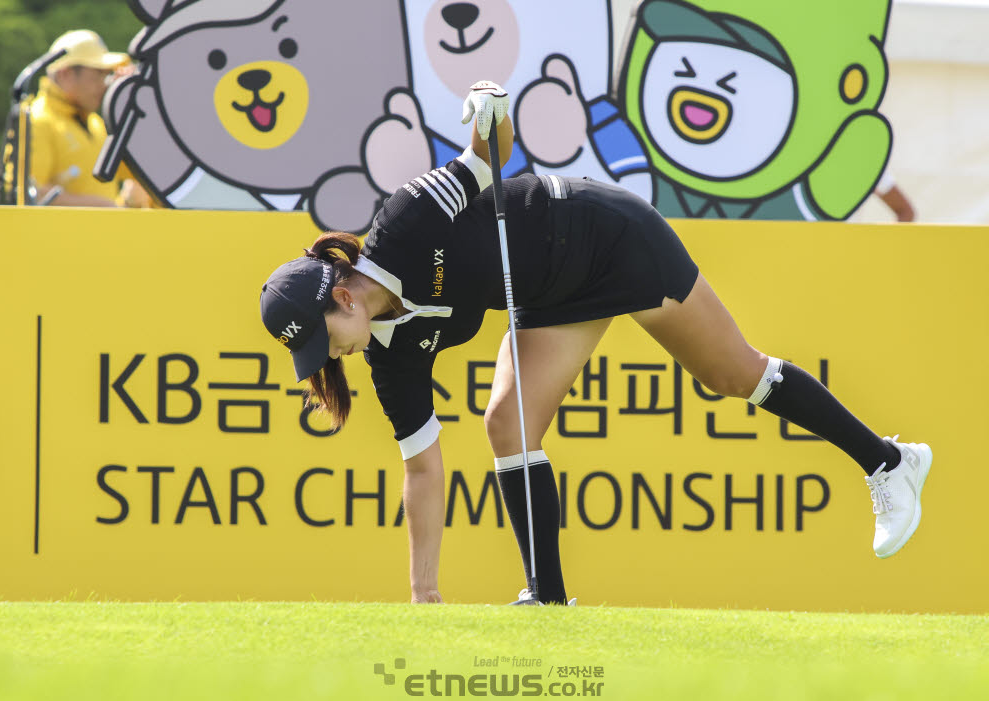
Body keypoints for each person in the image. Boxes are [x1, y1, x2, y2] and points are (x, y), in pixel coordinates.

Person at [260, 81, 932, 605]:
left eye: (326, 340)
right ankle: (546, 597)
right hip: (549, 295)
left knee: (734, 373)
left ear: (341, 297)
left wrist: (487, 107)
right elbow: (422, 468)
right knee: (508, 421)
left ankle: (887, 463)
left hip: (601, 235)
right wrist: (422, 591)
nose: (333, 358)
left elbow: (489, 154)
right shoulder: (389, 353)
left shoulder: (403, 222)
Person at [29, 30, 149, 207]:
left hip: (100, 234)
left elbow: (114, 194)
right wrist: (105, 208)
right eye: (98, 74)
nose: (105, 83)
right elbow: (30, 192)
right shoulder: (37, 120)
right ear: (65, 74)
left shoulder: (96, 123)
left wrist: (126, 203)